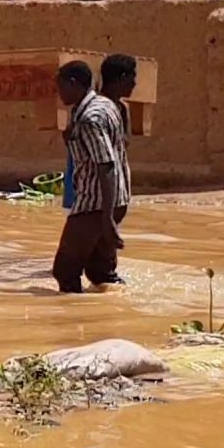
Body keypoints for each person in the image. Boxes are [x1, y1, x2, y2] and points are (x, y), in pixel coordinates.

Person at [50, 61, 125, 293]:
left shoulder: (89, 119)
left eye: (60, 87)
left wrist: (106, 219)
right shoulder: (105, 105)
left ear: (74, 84)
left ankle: (72, 322)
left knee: (65, 270)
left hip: (95, 205)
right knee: (101, 274)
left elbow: (106, 165)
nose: (58, 93)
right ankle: (110, 317)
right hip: (117, 199)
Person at [86, 53, 139, 285]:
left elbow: (123, 142)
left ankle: (105, 278)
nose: (135, 84)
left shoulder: (121, 108)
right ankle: (105, 280)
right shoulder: (95, 109)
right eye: (132, 78)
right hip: (101, 183)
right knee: (100, 240)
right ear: (122, 77)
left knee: (105, 240)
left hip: (117, 182)